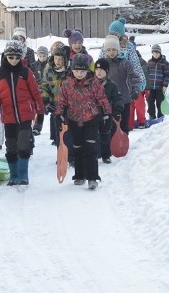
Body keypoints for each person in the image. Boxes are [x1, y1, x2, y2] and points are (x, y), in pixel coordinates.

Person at [0, 40, 44, 186]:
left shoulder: (26, 72)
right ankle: (14, 174)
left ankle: (23, 174)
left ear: (21, 58)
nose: (13, 60)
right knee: (11, 146)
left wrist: (40, 111)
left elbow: (35, 93)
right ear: (6, 56)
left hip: (25, 115)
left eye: (17, 58)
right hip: (9, 116)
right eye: (10, 57)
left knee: (23, 144)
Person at [56, 54, 112, 189]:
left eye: (82, 71)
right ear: (72, 70)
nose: (79, 74)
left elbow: (102, 99)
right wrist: (59, 115)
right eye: (76, 71)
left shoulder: (94, 83)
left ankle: (92, 177)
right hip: (74, 119)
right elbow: (62, 101)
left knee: (90, 148)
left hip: (91, 118)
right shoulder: (67, 84)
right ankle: (79, 175)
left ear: (87, 70)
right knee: (77, 147)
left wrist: (107, 115)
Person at [101, 35, 140, 134]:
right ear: (105, 51)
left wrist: (135, 89)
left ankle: (123, 145)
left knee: (123, 125)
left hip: (124, 100)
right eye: (108, 50)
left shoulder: (124, 63)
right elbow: (97, 80)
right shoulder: (103, 64)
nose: (111, 52)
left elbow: (133, 76)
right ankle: (112, 147)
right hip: (108, 101)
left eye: (114, 49)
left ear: (118, 49)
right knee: (110, 126)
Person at [39, 44, 69, 150]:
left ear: (64, 60)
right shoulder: (48, 70)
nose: (58, 61)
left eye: (60, 59)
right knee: (58, 131)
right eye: (56, 58)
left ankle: (70, 155)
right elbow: (44, 86)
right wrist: (46, 101)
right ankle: (60, 153)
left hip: (68, 106)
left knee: (68, 131)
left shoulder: (68, 71)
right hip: (55, 105)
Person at [93, 58, 123, 163]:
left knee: (105, 134)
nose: (99, 72)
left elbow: (117, 98)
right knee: (93, 135)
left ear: (107, 71)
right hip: (92, 115)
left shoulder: (112, 85)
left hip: (106, 114)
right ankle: (95, 154)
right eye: (97, 70)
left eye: (102, 70)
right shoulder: (90, 84)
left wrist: (117, 109)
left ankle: (106, 155)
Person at [146, 44, 169, 121]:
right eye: (154, 53)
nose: (155, 54)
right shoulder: (149, 62)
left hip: (160, 87)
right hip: (150, 87)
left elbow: (167, 75)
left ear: (160, 53)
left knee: (160, 102)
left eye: (157, 53)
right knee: (150, 103)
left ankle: (160, 116)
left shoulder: (164, 63)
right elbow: (146, 74)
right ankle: (152, 116)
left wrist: (165, 85)